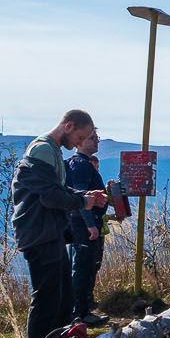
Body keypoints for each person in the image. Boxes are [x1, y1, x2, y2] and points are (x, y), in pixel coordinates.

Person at [12, 110, 109, 338]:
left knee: (63, 294)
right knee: (47, 295)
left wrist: (83, 196)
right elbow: (49, 195)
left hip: (50, 230)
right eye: (80, 137)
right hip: (38, 230)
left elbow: (59, 190)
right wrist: (83, 202)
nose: (79, 143)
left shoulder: (52, 151)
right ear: (69, 126)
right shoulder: (43, 150)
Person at [66, 130, 109, 327]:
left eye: (97, 138)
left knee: (85, 267)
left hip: (85, 223)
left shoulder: (81, 163)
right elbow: (82, 197)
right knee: (82, 268)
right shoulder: (81, 164)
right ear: (81, 141)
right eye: (93, 138)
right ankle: (80, 314)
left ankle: (81, 311)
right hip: (83, 225)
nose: (97, 142)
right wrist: (90, 224)